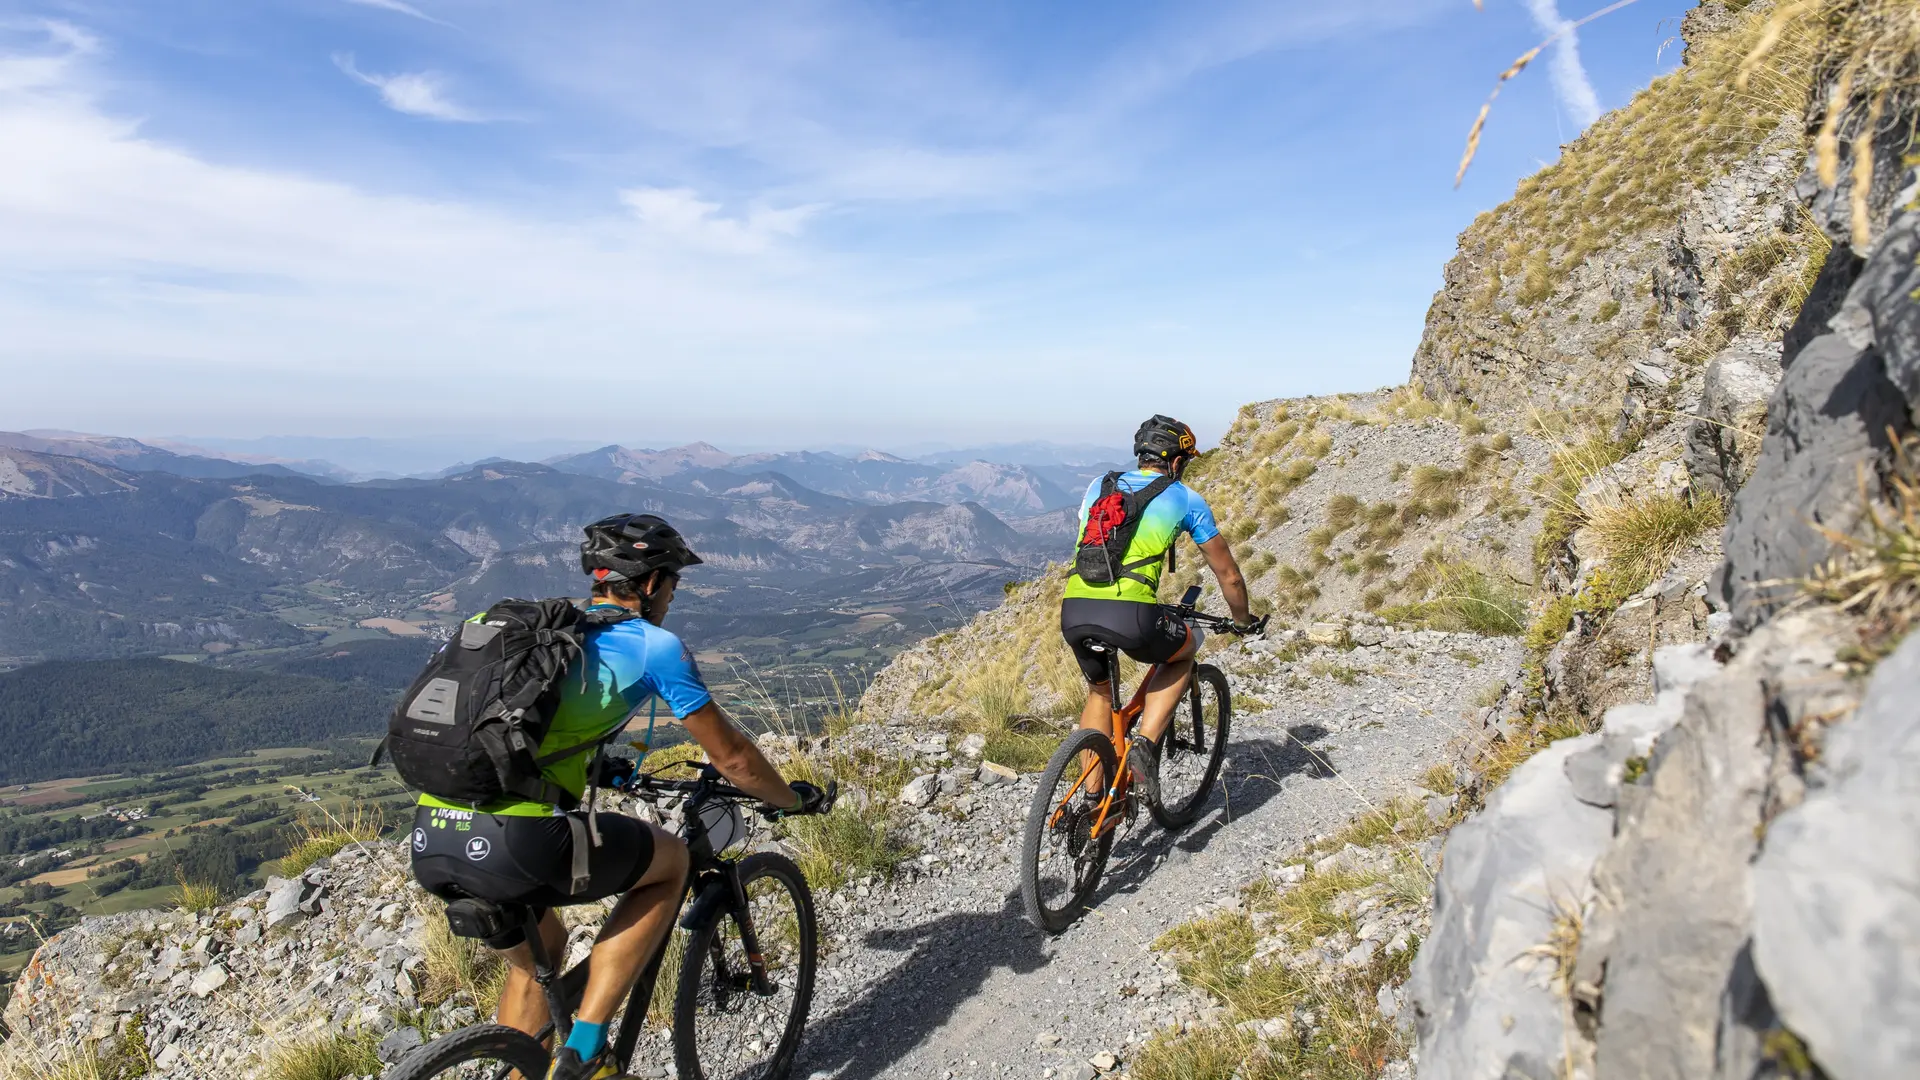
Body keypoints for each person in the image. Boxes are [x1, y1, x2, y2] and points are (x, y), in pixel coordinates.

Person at [408, 513, 825, 1080]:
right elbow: (733, 759)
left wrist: (608, 773)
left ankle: (518, 1069)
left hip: (432, 835)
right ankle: (588, 1051)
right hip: (518, 842)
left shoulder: (540, 633)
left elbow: (516, 734)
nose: (673, 599)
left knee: (542, 959)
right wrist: (791, 800)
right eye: (674, 585)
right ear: (651, 583)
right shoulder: (654, 647)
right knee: (671, 861)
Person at [1059, 415, 1256, 799]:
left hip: (1074, 609)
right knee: (1185, 649)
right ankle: (1145, 747)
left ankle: (1093, 802)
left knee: (1099, 693)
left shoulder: (1098, 486)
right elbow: (1229, 575)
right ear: (1177, 461)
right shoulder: (1184, 497)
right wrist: (1242, 621)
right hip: (1131, 616)